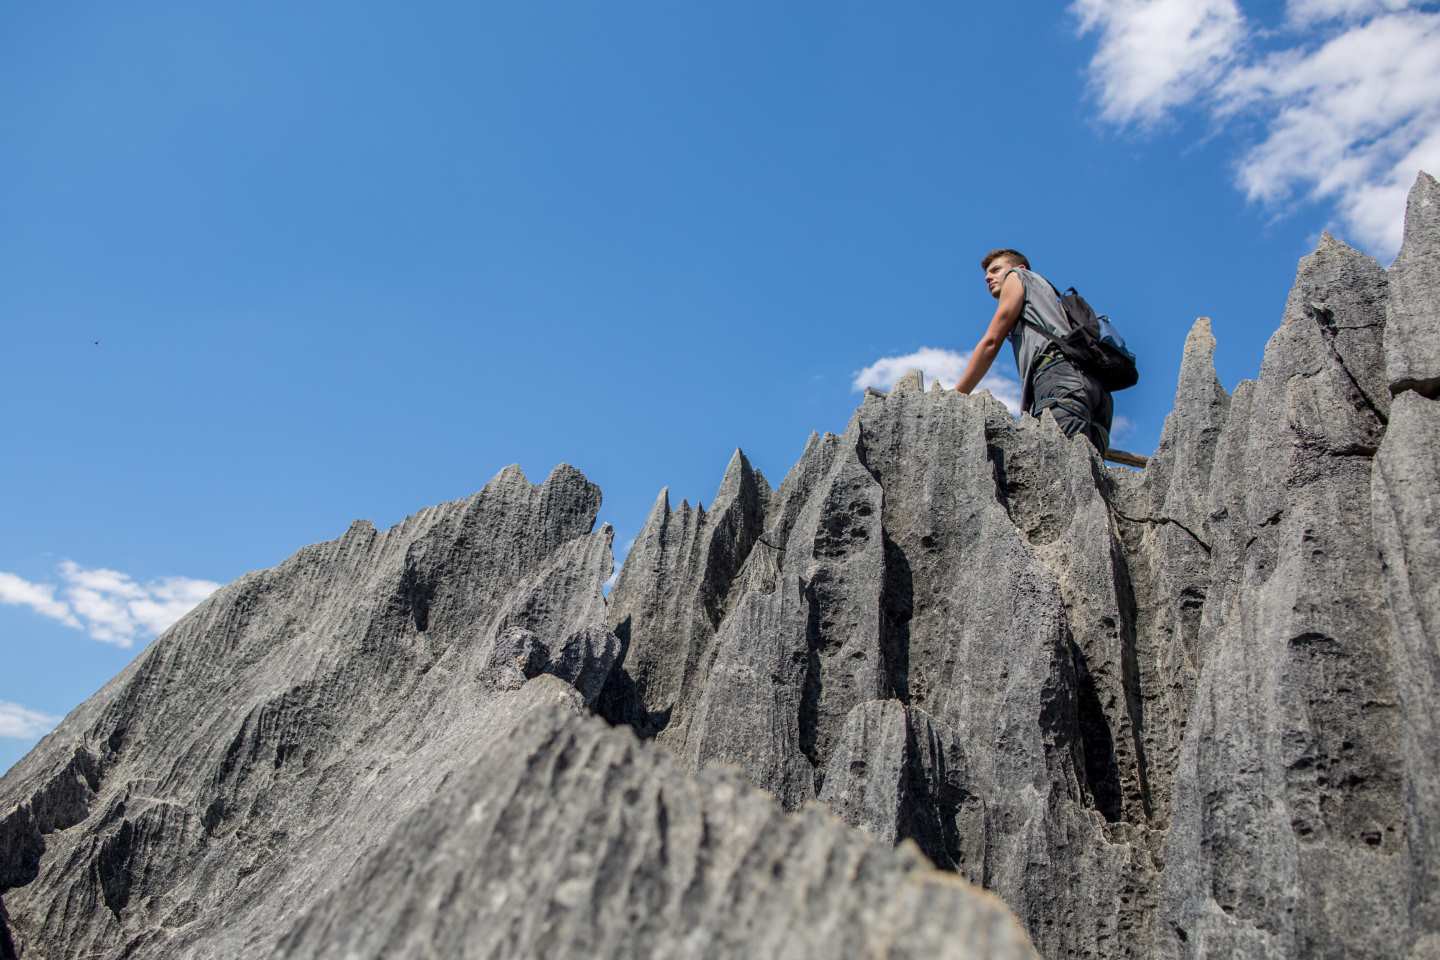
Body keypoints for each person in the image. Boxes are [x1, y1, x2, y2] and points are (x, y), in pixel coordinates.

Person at [953, 248, 1113, 452]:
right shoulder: (1049, 299)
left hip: (1059, 378)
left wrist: (956, 396)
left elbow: (991, 341)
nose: (988, 278)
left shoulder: (1017, 276)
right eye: (987, 274)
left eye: (995, 270)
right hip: (1097, 391)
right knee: (1085, 473)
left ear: (1019, 268)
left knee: (1060, 466)